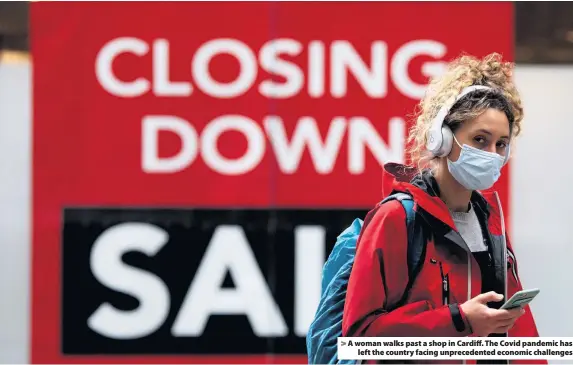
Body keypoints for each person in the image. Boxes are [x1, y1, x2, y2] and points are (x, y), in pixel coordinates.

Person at [341, 53, 544, 364]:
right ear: (442, 139)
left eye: (501, 144)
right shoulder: (397, 218)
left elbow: (521, 337)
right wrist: (459, 319)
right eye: (479, 139)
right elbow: (360, 340)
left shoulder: (490, 222)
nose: (492, 154)